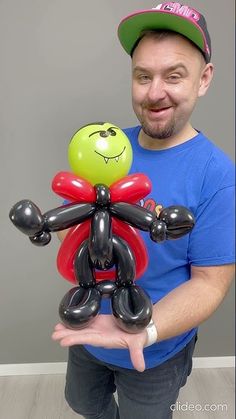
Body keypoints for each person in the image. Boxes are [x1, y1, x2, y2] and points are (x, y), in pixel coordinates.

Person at [52, 3, 235, 419]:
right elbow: (71, 224)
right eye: (142, 76)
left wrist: (141, 331)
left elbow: (209, 284)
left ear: (203, 79)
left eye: (173, 75)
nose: (155, 92)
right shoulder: (107, 146)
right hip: (86, 332)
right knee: (82, 402)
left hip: (154, 349)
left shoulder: (218, 174)